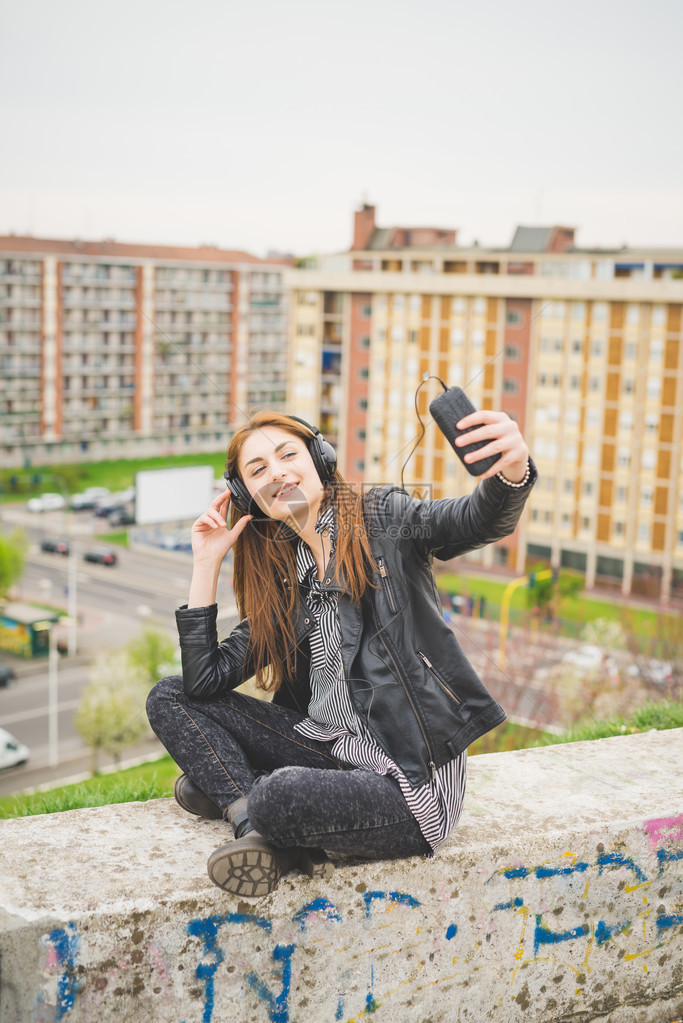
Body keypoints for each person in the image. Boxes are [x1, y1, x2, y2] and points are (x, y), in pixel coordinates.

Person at [146, 408, 536, 898]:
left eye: (288, 455)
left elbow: (472, 520)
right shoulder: (292, 577)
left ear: (319, 459)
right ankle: (254, 826)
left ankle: (249, 799)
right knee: (168, 696)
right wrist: (205, 565)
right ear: (249, 497)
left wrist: (511, 471)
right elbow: (204, 683)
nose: (278, 472)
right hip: (328, 750)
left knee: (279, 792)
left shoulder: (384, 519)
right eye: (258, 470)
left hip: (407, 784)